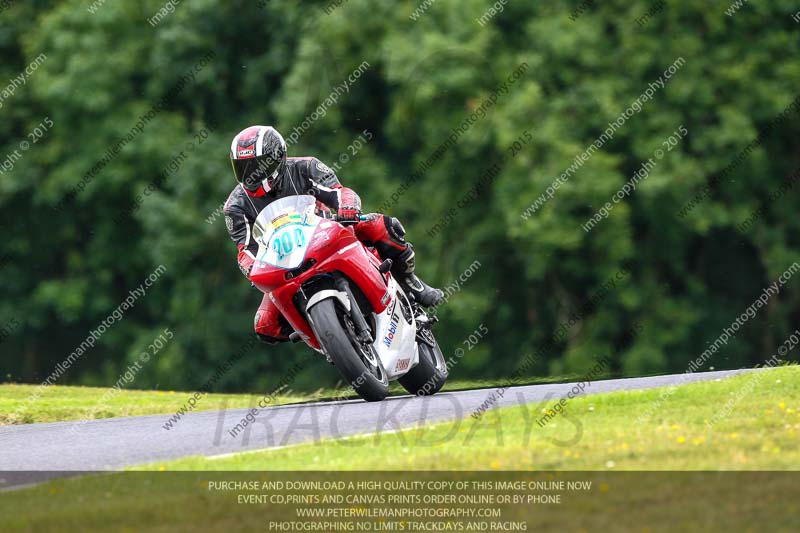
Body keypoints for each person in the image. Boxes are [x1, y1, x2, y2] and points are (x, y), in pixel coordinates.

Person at [223, 125, 444, 344]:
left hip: (327, 234)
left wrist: (348, 207)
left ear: (277, 157)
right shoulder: (235, 206)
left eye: (257, 166)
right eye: (243, 168)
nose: (250, 174)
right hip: (283, 263)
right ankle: (324, 331)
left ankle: (410, 282)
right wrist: (251, 267)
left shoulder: (306, 167)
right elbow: (246, 249)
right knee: (265, 326)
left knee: (383, 226)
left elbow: (339, 192)